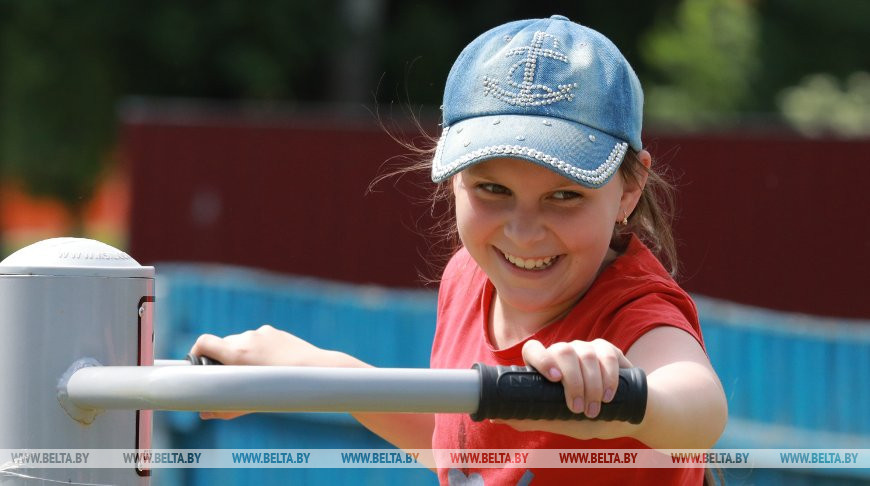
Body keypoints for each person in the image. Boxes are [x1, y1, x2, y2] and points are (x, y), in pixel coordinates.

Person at [191, 15, 728, 485]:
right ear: (452, 180)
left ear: (628, 190)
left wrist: (619, 395)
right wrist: (312, 370)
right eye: (493, 190)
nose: (523, 232)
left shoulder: (636, 315)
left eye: (565, 195)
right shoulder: (467, 276)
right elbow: (460, 450)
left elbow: (698, 411)